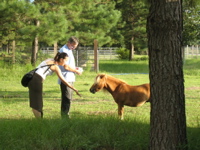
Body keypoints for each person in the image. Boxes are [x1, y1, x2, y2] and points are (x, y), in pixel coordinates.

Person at [28, 52, 81, 118]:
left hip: (33, 78)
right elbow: (63, 80)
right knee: (37, 103)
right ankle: (39, 122)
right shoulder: (55, 66)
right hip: (36, 80)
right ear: (61, 59)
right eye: (66, 60)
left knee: (36, 101)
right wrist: (74, 89)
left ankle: (39, 120)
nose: (66, 63)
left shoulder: (50, 60)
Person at [58, 36, 82, 118]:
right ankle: (65, 117)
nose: (74, 48)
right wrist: (76, 71)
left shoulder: (69, 50)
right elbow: (66, 66)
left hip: (70, 77)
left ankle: (66, 114)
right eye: (73, 46)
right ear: (69, 42)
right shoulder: (64, 51)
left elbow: (70, 65)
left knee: (69, 98)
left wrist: (75, 68)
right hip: (65, 77)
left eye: (75, 46)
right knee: (67, 98)